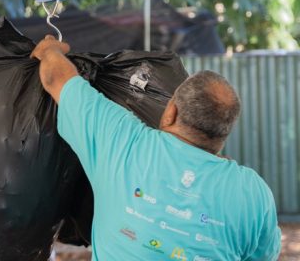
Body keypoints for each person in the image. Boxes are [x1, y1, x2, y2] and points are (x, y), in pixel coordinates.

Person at [31, 35, 281, 260]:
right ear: (223, 134)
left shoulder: (123, 140)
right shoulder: (254, 193)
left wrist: (51, 49)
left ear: (170, 111)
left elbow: (56, 78)